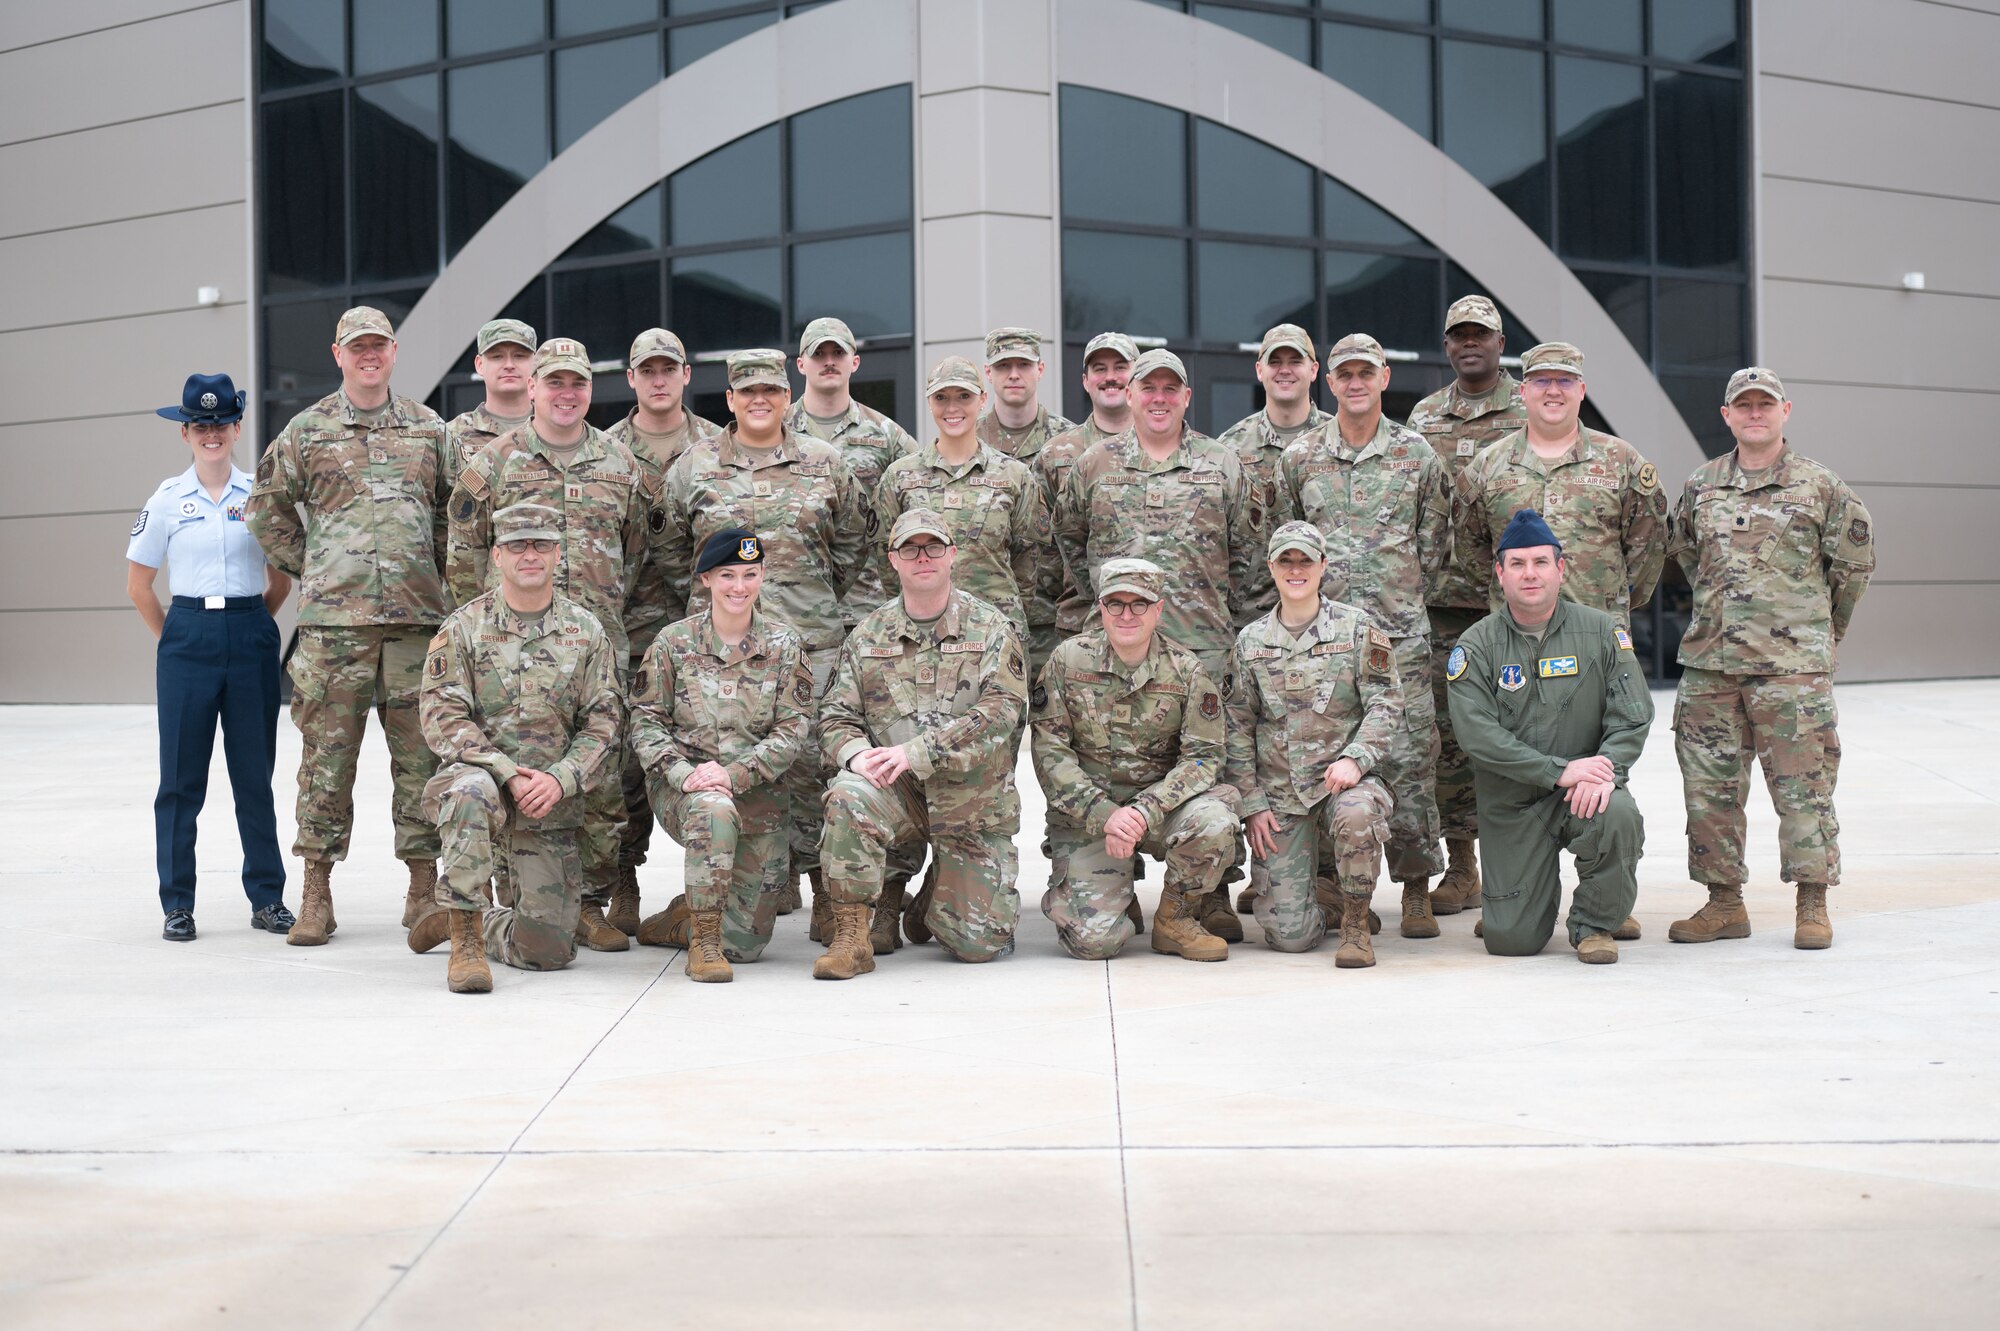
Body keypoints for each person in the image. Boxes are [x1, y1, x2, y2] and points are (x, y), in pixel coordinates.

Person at [245, 306, 451, 946]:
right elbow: (265, 508)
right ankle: (316, 894)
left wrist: (434, 574)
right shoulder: (307, 432)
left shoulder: (429, 429)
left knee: (421, 761)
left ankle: (423, 890)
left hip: (417, 627)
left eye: (379, 346)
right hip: (335, 629)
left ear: (393, 352)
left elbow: (456, 514)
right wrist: (316, 564)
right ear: (338, 354)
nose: (369, 355)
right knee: (326, 765)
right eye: (357, 347)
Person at [446, 337, 656, 953]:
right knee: (512, 772)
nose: (567, 395)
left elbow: (638, 553)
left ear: (591, 390)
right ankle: (499, 894)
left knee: (602, 779)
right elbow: (463, 559)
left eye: (578, 384)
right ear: (532, 387)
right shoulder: (494, 463)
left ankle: (587, 901)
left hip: (594, 651)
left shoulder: (622, 466)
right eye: (554, 383)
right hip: (507, 654)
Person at [1664, 368, 1875, 950]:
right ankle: (1724, 903)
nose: (1754, 413)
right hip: (1710, 666)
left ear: (1786, 411)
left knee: (1803, 788)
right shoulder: (1701, 485)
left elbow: (1852, 569)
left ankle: (1812, 902)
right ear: (1727, 416)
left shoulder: (1821, 487)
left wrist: (1819, 635)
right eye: (1743, 405)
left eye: (1765, 404)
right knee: (1709, 790)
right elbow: (1684, 554)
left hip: (1791, 672)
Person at [659, 348, 869, 932]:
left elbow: (853, 546)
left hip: (811, 647)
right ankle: (762, 887)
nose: (759, 400)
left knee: (815, 768)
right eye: (746, 391)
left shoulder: (825, 463)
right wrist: (709, 606)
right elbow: (670, 552)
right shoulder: (693, 466)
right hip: (722, 655)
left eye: (771, 391)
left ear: (786, 397)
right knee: (737, 765)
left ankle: (828, 892)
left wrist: (813, 604)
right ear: (728, 400)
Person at [1276, 333, 1451, 941]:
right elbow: (1286, 544)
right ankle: (1337, 888)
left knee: (1409, 765)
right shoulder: (1300, 458)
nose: (1355, 383)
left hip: (1397, 640)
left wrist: (1395, 604)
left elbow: (1435, 547)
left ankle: (1416, 887)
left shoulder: (1417, 454)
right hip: (1321, 644)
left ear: (1383, 378)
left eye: (1366, 373)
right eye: (1345, 373)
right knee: (1327, 763)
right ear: (1331, 381)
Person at [408, 504, 623, 991]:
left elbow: (605, 721)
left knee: (546, 951)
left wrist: (560, 778)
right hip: (482, 782)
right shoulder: (463, 627)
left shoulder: (586, 632)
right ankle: (465, 942)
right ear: (498, 556)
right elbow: (442, 715)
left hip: (548, 799)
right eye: (518, 546)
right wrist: (503, 770)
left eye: (541, 545)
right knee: (469, 790)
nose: (531, 555)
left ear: (557, 555)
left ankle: (480, 923)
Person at [815, 510, 1030, 979]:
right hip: (899, 790)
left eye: (934, 547)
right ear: (893, 560)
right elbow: (834, 716)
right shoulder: (868, 635)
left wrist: (916, 752)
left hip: (972, 801)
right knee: (849, 794)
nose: (923, 557)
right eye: (910, 549)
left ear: (953, 555)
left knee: (978, 945)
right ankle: (852, 937)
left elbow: (1000, 714)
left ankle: (938, 887)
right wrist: (856, 756)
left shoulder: (992, 628)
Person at [126, 373, 293, 942]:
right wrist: (175, 638)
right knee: (180, 781)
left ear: (237, 426)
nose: (212, 433)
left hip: (249, 634)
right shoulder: (166, 500)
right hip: (187, 639)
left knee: (254, 776)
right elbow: (139, 585)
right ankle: (177, 903)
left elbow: (280, 581)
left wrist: (249, 628)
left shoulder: (260, 495)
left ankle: (267, 898)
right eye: (201, 425)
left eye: (221, 423)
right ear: (186, 433)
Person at [1446, 509, 1653, 963]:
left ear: (1561, 569)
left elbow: (1632, 715)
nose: (1530, 573)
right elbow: (1477, 735)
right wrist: (1559, 771)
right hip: (1514, 803)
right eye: (1517, 564)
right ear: (1499, 574)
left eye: (1541, 562)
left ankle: (1597, 922)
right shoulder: (1476, 646)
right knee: (1512, 942)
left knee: (1616, 812)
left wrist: (1605, 772)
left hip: (1584, 793)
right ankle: (1517, 907)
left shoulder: (1601, 632)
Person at [628, 529, 814, 980]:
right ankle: (704, 944)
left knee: (747, 945)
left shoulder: (786, 647)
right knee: (712, 811)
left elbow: (793, 730)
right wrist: (682, 775)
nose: (739, 586)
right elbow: (646, 721)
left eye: (750, 574)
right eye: (727, 575)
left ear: (763, 576)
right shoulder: (673, 644)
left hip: (757, 798)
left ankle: (685, 918)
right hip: (688, 794)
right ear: (706, 579)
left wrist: (735, 773)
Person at [1032, 558, 1237, 962]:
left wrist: (1145, 810)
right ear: (1101, 608)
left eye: (1139, 604)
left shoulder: (1187, 671)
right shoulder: (1067, 662)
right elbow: (1049, 751)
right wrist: (1103, 812)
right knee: (1095, 944)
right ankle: (1115, 893)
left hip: (1159, 812)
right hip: (1090, 814)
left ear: (1158, 609)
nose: (1127, 615)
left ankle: (1176, 917)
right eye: (1116, 604)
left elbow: (1203, 758)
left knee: (1216, 819)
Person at [1224, 522, 1400, 968]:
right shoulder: (1251, 642)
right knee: (1289, 938)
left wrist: (1356, 760)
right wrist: (1252, 803)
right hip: (1281, 794)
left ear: (1324, 566)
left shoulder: (1357, 628)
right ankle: (1328, 905)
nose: (1296, 569)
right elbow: (1238, 725)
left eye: (1306, 560)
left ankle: (1357, 923)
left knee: (1358, 813)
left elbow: (1387, 703)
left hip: (1344, 783)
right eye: (1286, 560)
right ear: (1271, 567)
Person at [1405, 296, 1526, 918]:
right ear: (1447, 346)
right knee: (1449, 742)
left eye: (1480, 334)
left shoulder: (1529, 407)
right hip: (1444, 604)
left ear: (1500, 342)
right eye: (1458, 336)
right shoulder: (1425, 415)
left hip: (1510, 607)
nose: (1469, 344)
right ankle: (1463, 864)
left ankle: (1519, 866)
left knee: (1517, 734)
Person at [607, 327, 724, 937]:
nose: (658, 379)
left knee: (711, 756)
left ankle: (717, 887)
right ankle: (624, 877)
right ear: (631, 379)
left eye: (668, 369)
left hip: (703, 634)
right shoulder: (605, 451)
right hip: (626, 631)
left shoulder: (717, 446)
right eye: (645, 370)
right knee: (627, 760)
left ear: (685, 376)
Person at [1455, 342, 1668, 630]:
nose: (1553, 391)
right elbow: (1473, 552)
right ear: (1523, 391)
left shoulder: (1621, 461)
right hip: (1515, 636)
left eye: (1565, 380)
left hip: (1597, 636)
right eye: (1541, 380)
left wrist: (1607, 597)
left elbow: (1649, 545)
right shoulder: (1488, 466)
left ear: (1581, 390)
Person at [875, 355, 1048, 641]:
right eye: (941, 397)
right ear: (929, 402)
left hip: (997, 634)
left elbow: (1028, 565)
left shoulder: (1015, 476)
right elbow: (886, 558)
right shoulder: (900, 476)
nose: (952, 407)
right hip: (922, 634)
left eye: (963, 396)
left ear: (982, 400)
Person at [786, 315, 918, 634]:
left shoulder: (887, 436)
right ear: (801, 364)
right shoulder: (776, 430)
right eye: (819, 354)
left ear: (855, 362)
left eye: (838, 353)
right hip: (790, 611)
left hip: (868, 611)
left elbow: (919, 510)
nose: (829, 362)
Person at [1034, 331, 1137, 671]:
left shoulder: (1169, 449)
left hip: (1160, 624)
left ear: (1137, 376)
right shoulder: (1057, 455)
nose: (1110, 376)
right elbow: (1040, 550)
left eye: (1120, 366)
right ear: (1085, 380)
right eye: (1099, 368)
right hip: (1082, 627)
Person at [1216, 323, 1330, 627]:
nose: (1285, 370)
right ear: (1259, 370)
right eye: (1275, 362)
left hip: (1327, 615)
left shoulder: (1337, 440)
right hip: (1252, 616)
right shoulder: (1229, 448)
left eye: (1295, 361)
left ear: (1314, 369)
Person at [978, 327, 1072, 661]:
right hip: (983, 620)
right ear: (988, 373)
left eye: (1024, 365)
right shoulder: (966, 442)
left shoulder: (1071, 444)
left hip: (1056, 620)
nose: (1014, 374)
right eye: (1004, 366)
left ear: (1040, 370)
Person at [442, 318, 536, 499]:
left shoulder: (554, 431)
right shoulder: (450, 437)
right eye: (497, 356)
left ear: (536, 363)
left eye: (519, 355)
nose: (509, 365)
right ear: (479, 365)